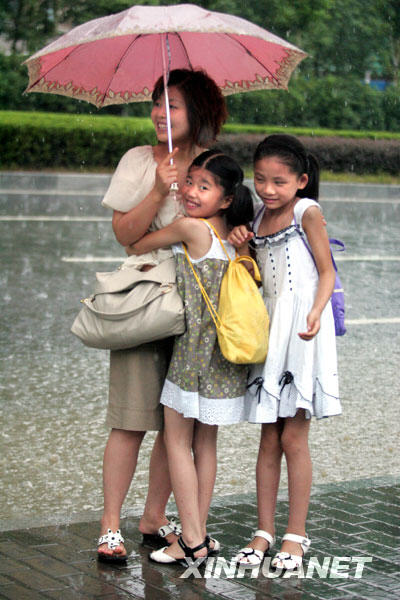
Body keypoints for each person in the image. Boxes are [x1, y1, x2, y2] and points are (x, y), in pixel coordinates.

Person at [97, 69, 228, 562]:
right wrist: (157, 190)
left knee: (179, 421)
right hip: (146, 298)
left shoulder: (212, 164)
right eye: (155, 102)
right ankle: (111, 526)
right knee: (131, 418)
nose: (158, 112)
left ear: (198, 113)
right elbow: (124, 236)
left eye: (171, 104)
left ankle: (153, 517)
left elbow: (225, 226)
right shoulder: (137, 160)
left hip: (196, 304)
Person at [127, 150, 254, 564]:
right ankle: (199, 531)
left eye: (204, 186)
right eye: (190, 181)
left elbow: (135, 243)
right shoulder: (233, 237)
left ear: (225, 198)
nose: (191, 191)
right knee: (206, 445)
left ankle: (193, 540)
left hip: (192, 358)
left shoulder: (189, 229)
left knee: (177, 442)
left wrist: (159, 191)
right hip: (224, 360)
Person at [228, 134, 342, 571]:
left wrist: (315, 312)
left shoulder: (306, 211)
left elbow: (327, 271)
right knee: (268, 437)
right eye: (260, 179)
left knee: (293, 436)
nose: (268, 189)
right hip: (269, 327)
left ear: (301, 180)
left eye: (279, 180)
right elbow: (253, 277)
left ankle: (296, 536)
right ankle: (263, 532)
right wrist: (242, 244)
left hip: (303, 328)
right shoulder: (256, 216)